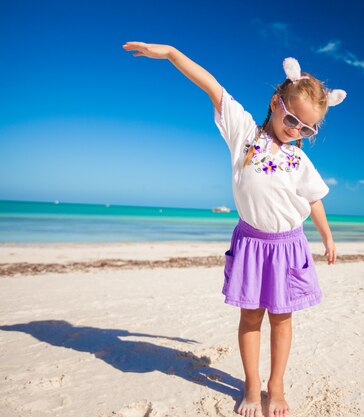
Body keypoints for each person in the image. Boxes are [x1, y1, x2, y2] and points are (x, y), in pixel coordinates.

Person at [122, 42, 346, 417]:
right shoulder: (244, 132)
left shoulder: (299, 159)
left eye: (306, 128)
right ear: (277, 102)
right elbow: (212, 86)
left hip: (289, 246)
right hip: (251, 245)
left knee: (282, 318)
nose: (296, 131)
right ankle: (251, 384)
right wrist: (174, 54)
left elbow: (314, 200)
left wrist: (326, 236)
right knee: (250, 317)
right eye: (292, 120)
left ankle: (276, 386)